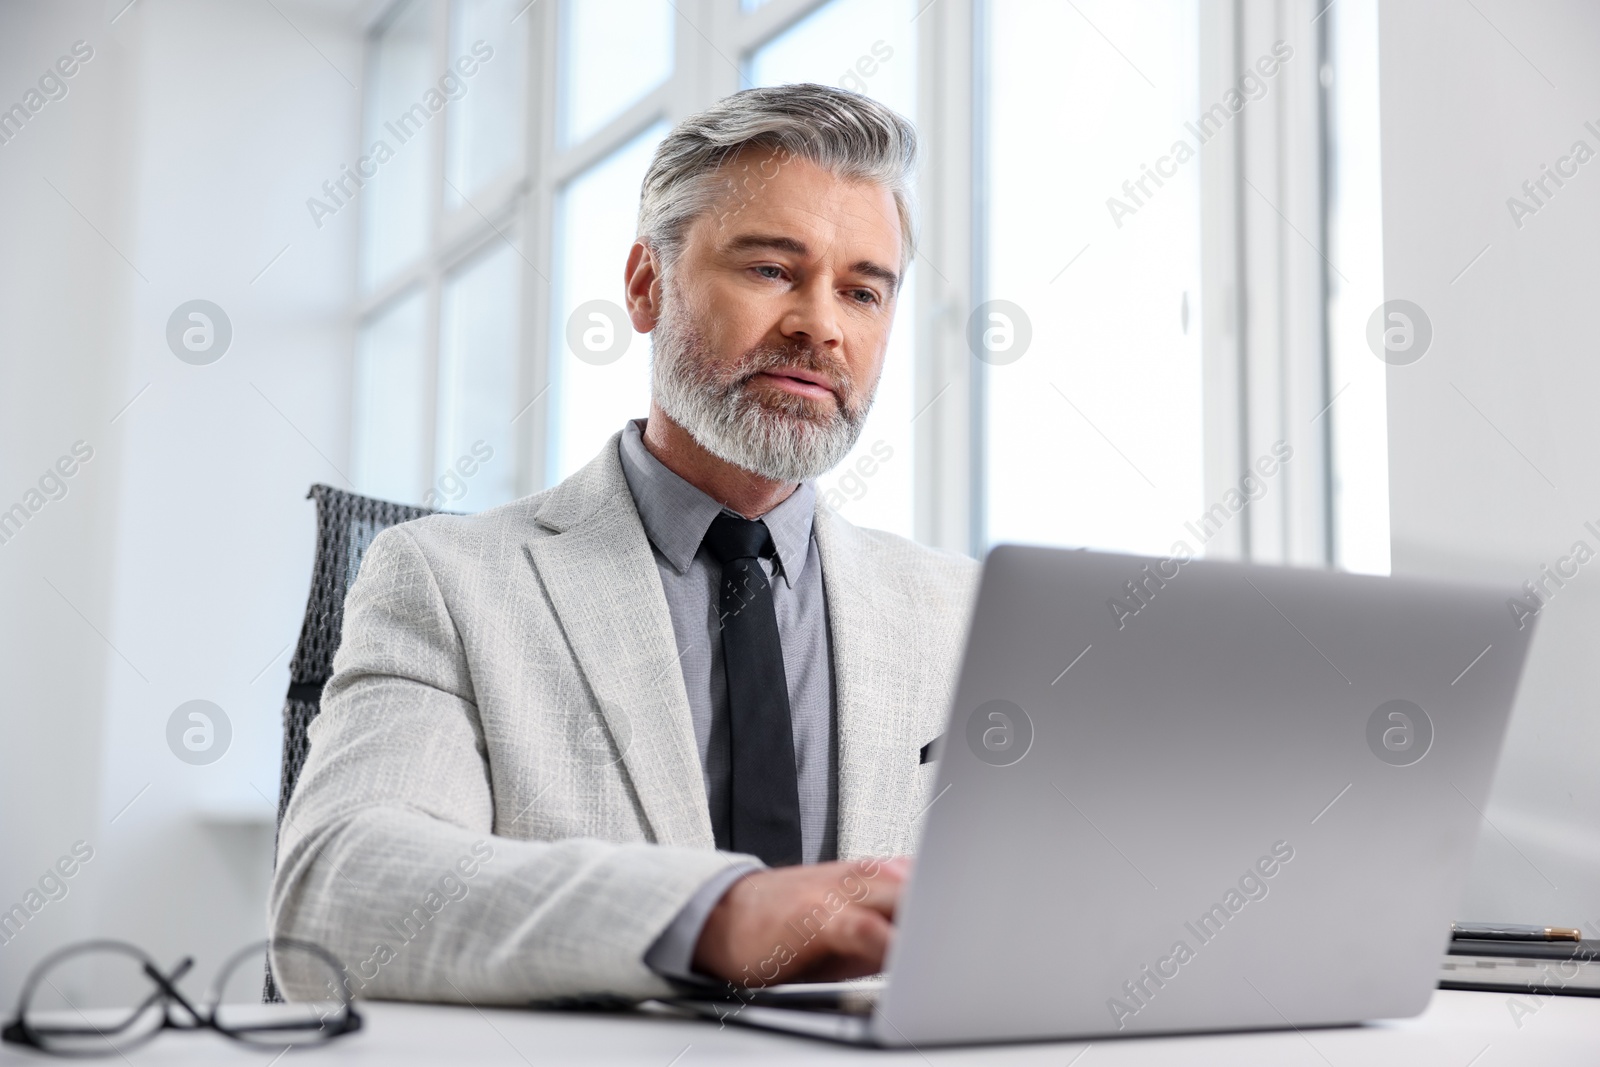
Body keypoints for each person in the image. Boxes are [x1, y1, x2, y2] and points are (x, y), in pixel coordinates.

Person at [270, 83, 978, 1003]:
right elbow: (340, 893)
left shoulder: (960, 612)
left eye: (862, 291)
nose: (822, 324)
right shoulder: (446, 580)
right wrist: (719, 913)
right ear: (647, 286)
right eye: (771, 271)